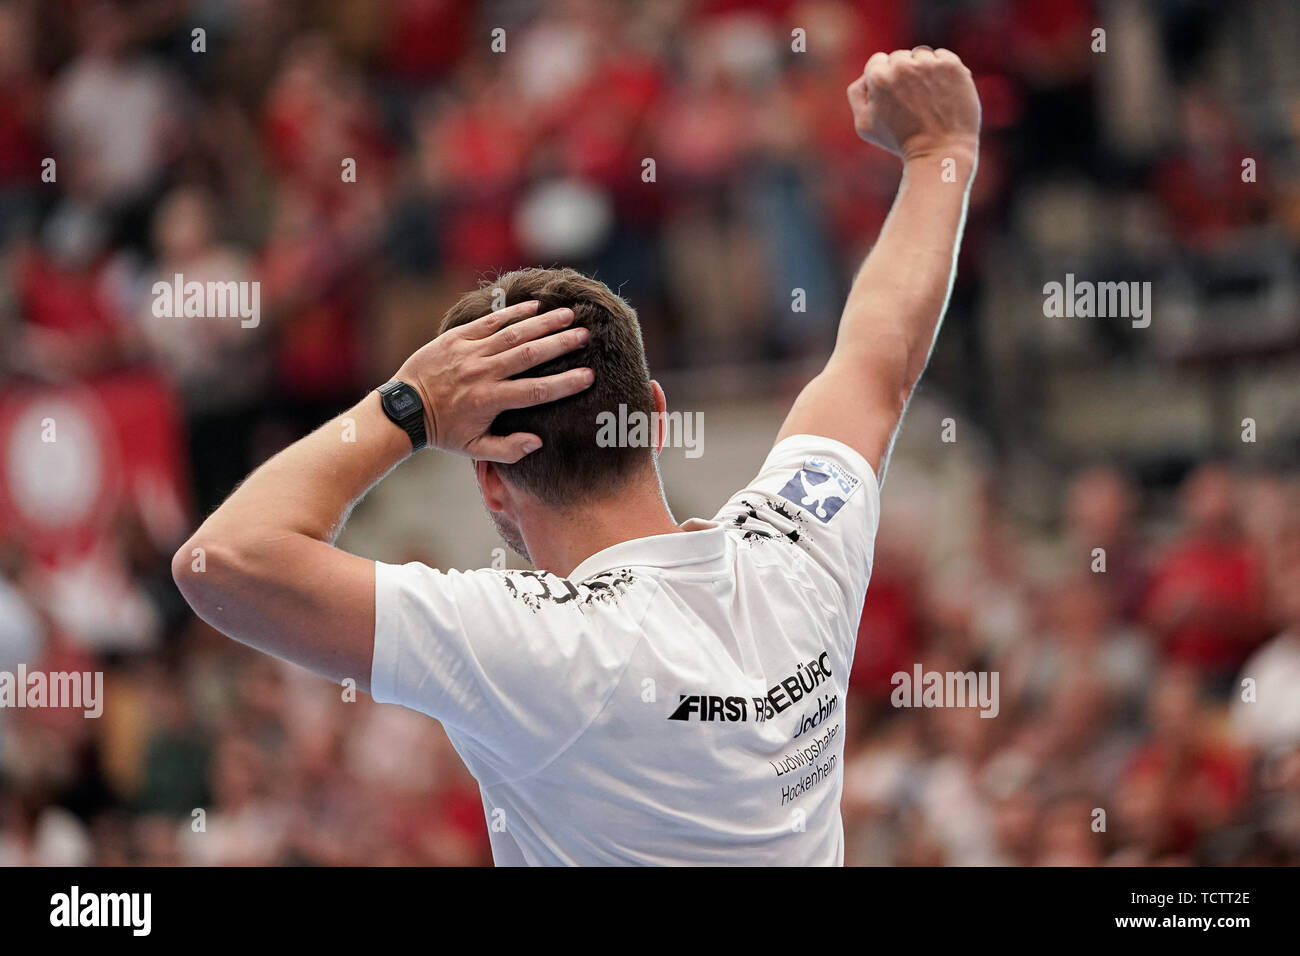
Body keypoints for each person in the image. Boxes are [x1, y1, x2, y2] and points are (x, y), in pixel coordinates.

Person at [172, 47, 981, 865]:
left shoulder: (538, 648)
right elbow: (876, 365)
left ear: (488, 479)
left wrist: (406, 406)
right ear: (655, 417)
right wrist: (942, 153)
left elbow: (220, 561)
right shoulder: (796, 555)